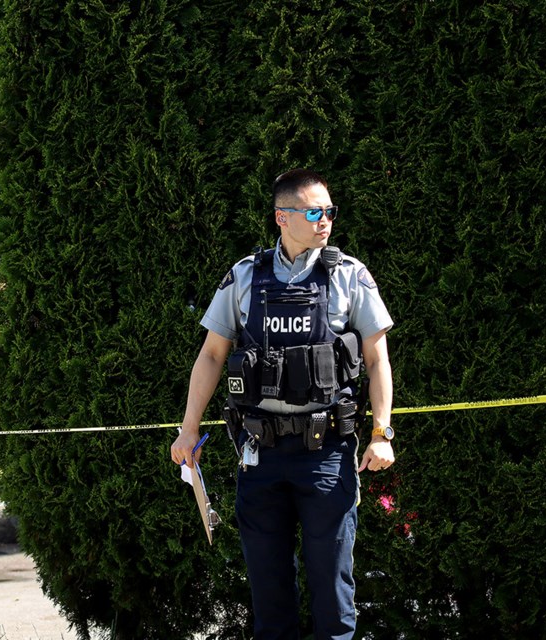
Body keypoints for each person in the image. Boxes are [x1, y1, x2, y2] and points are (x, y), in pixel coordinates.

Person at [170, 168, 394, 640]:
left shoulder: (349, 276)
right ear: (281, 217)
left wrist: (381, 432)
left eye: (330, 211)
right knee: (270, 603)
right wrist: (188, 430)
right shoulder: (245, 276)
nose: (325, 220)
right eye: (314, 212)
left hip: (327, 454)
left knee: (334, 596)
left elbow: (377, 360)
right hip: (261, 456)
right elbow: (212, 354)